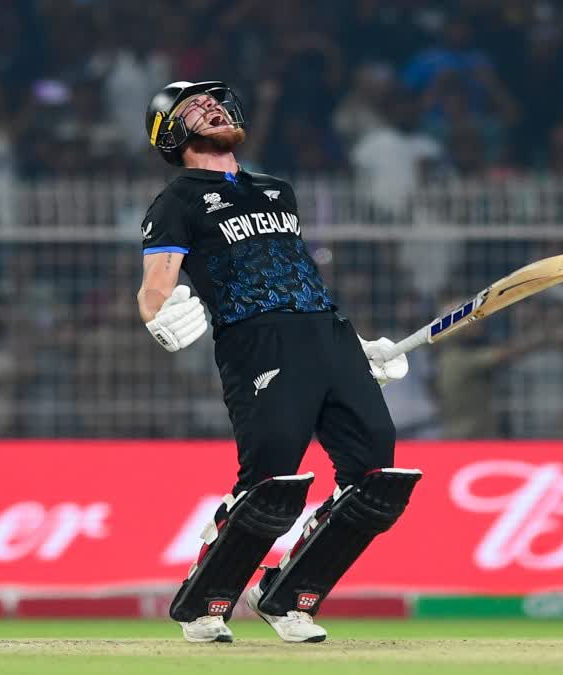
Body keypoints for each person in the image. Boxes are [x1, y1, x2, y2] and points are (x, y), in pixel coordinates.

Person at [135, 81, 416, 644]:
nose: (213, 108)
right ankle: (203, 604)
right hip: (256, 341)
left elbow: (294, 271)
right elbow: (154, 288)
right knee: (272, 483)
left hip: (328, 334)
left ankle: (286, 597)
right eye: (196, 107)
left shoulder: (276, 190)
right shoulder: (177, 200)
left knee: (378, 479)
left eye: (216, 101)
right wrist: (156, 316)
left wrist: (353, 345)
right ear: (172, 133)